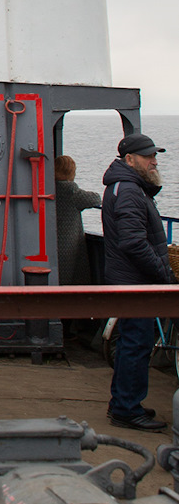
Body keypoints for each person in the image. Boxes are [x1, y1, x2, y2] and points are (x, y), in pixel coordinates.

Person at [103, 133, 171, 431]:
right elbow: (133, 242)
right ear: (129, 160)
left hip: (129, 279)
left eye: (154, 155)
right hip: (136, 282)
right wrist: (162, 272)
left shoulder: (125, 187)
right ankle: (127, 409)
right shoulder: (129, 190)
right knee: (136, 343)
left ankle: (122, 403)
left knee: (133, 341)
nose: (153, 160)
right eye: (147, 156)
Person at [54, 154, 100, 286]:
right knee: (71, 278)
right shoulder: (70, 190)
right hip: (68, 245)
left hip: (51, 242)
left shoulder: (50, 187)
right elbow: (95, 199)